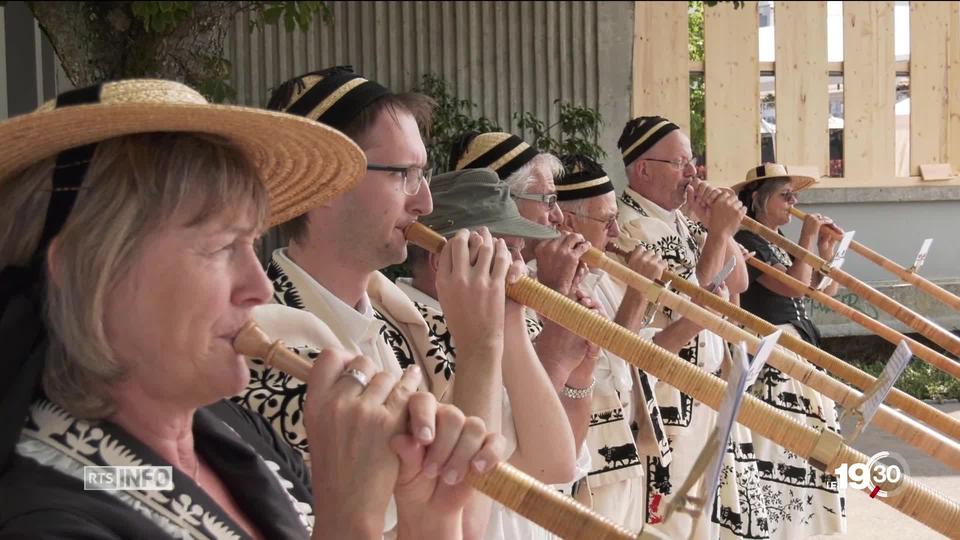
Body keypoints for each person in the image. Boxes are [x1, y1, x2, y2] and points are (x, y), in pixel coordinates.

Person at [0, 79, 504, 538]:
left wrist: (428, 517)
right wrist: (351, 517)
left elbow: (131, 481)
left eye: (252, 243)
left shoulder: (222, 440)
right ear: (85, 268)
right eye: (221, 247)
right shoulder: (45, 520)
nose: (260, 288)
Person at [239, 69, 575, 537]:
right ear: (323, 181)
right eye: (404, 175)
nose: (425, 202)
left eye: (424, 174)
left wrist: (508, 320)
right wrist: (480, 347)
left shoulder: (403, 324)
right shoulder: (263, 346)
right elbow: (463, 524)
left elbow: (549, 462)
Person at [402, 167, 581, 540]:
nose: (521, 268)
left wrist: (511, 322)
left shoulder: (501, 318)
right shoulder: (406, 331)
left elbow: (556, 465)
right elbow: (468, 506)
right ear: (444, 259)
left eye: (518, 252)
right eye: (506, 251)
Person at [615, 116, 770, 539]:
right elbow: (690, 303)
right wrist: (718, 232)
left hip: (703, 391)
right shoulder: (629, 226)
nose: (693, 174)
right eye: (680, 163)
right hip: (666, 401)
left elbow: (736, 282)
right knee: (671, 519)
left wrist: (713, 227)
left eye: (693, 162)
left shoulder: (679, 219)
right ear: (643, 168)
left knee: (703, 519)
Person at [554, 155, 671, 530]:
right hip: (595, 462)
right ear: (569, 222)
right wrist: (638, 291)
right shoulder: (554, 283)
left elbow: (633, 346)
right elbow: (611, 366)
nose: (617, 232)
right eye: (607, 221)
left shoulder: (601, 272)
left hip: (627, 449)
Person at [733, 163, 846, 539]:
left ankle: (811, 526)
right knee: (782, 451)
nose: (793, 202)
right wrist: (808, 235)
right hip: (772, 352)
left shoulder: (775, 243)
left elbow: (817, 291)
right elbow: (794, 288)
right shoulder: (747, 239)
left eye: (794, 196)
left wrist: (825, 253)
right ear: (756, 200)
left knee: (813, 443)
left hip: (799, 346)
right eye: (785, 195)